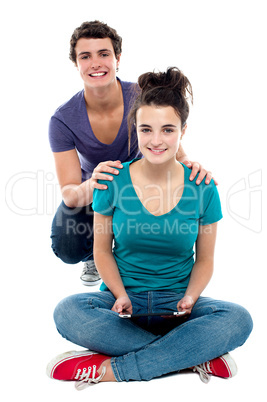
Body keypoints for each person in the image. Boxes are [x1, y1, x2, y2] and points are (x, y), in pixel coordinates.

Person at [46, 67, 253, 388]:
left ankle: (110, 369)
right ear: (135, 130)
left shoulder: (204, 188)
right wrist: (119, 294)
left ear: (183, 131)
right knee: (68, 311)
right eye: (146, 130)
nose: (156, 140)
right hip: (122, 301)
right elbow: (100, 251)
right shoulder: (113, 181)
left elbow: (206, 259)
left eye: (167, 130)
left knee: (239, 319)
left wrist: (191, 297)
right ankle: (192, 355)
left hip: (180, 304)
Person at [49, 20, 215, 285]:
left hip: (146, 185)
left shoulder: (140, 96)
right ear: (76, 63)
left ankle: (136, 254)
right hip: (101, 190)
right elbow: (70, 193)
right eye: (85, 56)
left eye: (104, 54)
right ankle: (97, 254)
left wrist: (191, 168)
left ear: (117, 58)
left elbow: (176, 151)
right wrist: (94, 182)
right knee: (67, 243)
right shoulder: (63, 119)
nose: (96, 63)